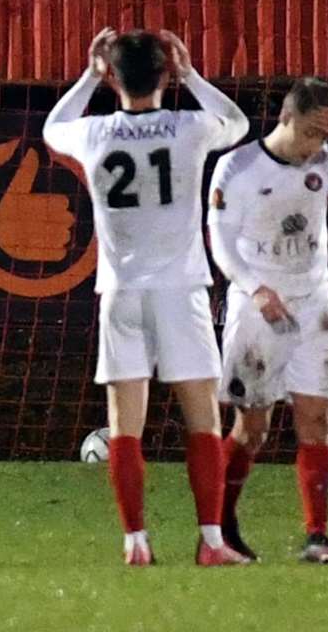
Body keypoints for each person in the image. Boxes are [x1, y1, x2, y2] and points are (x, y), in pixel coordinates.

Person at [43, 28, 251, 567]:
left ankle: (136, 543)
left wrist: (88, 76)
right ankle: (210, 542)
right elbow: (240, 123)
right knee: (202, 418)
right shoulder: (188, 126)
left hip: (121, 291)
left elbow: (51, 128)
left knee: (123, 423)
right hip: (180, 290)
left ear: (113, 78)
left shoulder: (93, 133)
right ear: (165, 74)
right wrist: (194, 76)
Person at [209, 77, 328, 564]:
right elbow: (221, 241)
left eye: (323, 136)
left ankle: (316, 536)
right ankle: (221, 529)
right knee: (252, 427)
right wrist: (255, 288)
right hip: (258, 308)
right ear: (286, 118)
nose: (316, 145)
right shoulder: (239, 166)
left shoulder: (326, 162)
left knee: (317, 420)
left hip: (314, 305)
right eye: (310, 133)